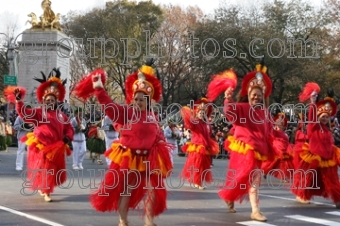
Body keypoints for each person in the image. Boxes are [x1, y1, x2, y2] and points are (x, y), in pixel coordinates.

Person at [73, 61, 173, 226]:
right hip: (129, 158)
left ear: (148, 101)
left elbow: (158, 134)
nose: (139, 101)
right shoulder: (127, 112)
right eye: (137, 98)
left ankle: (149, 221)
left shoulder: (152, 116)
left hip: (148, 160)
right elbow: (110, 107)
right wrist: (99, 88)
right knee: (126, 191)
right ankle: (123, 220)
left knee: (153, 190)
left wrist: (161, 143)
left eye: (142, 99)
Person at [208, 65, 274, 222]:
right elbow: (230, 114)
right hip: (244, 150)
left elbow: (269, 131)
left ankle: (253, 209)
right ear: (248, 94)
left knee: (253, 179)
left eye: (259, 95)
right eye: (254, 94)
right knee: (243, 178)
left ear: (263, 96)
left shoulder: (265, 112)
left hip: (258, 150)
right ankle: (240, 201)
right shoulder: (242, 107)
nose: (256, 97)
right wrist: (228, 98)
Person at [12, 67, 74, 202]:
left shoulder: (62, 115)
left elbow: (69, 128)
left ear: (56, 102)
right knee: (45, 168)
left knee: (52, 169)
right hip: (41, 146)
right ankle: (46, 192)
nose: (50, 101)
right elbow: (25, 114)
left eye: (52, 100)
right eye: (48, 99)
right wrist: (18, 102)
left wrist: (67, 137)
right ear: (43, 101)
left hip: (57, 147)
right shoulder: (39, 112)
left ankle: (45, 187)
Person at [291, 84, 340, 207]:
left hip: (327, 158)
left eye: (327, 117)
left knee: (332, 179)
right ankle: (301, 195)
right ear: (318, 117)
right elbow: (312, 117)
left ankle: (338, 199)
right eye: (322, 117)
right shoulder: (314, 126)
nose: (324, 119)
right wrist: (313, 103)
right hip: (313, 156)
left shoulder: (328, 130)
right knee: (308, 178)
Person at [179, 97, 219, 190]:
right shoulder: (195, 122)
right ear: (196, 113)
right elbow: (189, 124)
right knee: (198, 165)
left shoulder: (207, 124)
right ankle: (197, 182)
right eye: (200, 112)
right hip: (197, 147)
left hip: (205, 147)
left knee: (204, 166)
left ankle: (197, 181)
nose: (202, 114)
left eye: (203, 112)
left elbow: (209, 134)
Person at [261, 112, 294, 182]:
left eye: (282, 124)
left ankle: (283, 177)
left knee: (283, 163)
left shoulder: (285, 133)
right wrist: (267, 121)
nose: (281, 125)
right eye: (279, 123)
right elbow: (269, 130)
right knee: (271, 162)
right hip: (276, 149)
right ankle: (265, 171)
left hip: (285, 149)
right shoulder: (274, 131)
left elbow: (287, 141)